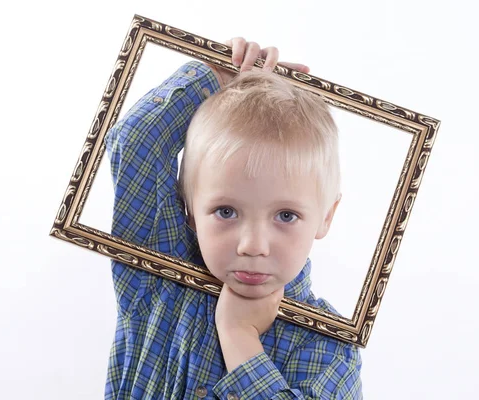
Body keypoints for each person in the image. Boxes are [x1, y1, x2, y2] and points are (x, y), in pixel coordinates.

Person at [104, 37, 362, 399]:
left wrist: (239, 336)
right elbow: (135, 145)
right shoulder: (159, 273)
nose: (253, 246)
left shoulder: (327, 346)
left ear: (326, 217)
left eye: (286, 215)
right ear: (189, 208)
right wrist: (213, 75)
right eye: (226, 212)